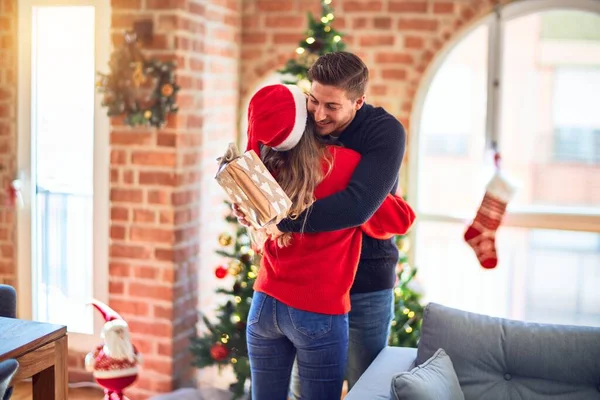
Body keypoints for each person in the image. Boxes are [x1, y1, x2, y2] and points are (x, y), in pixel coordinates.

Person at [234, 52, 407, 394]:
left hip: (367, 279)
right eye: (314, 100)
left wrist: (281, 221)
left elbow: (358, 206)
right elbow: (275, 180)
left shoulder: (385, 132)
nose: (319, 114)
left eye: (332, 106)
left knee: (365, 387)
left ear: (359, 101)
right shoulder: (303, 120)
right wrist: (255, 210)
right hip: (310, 289)